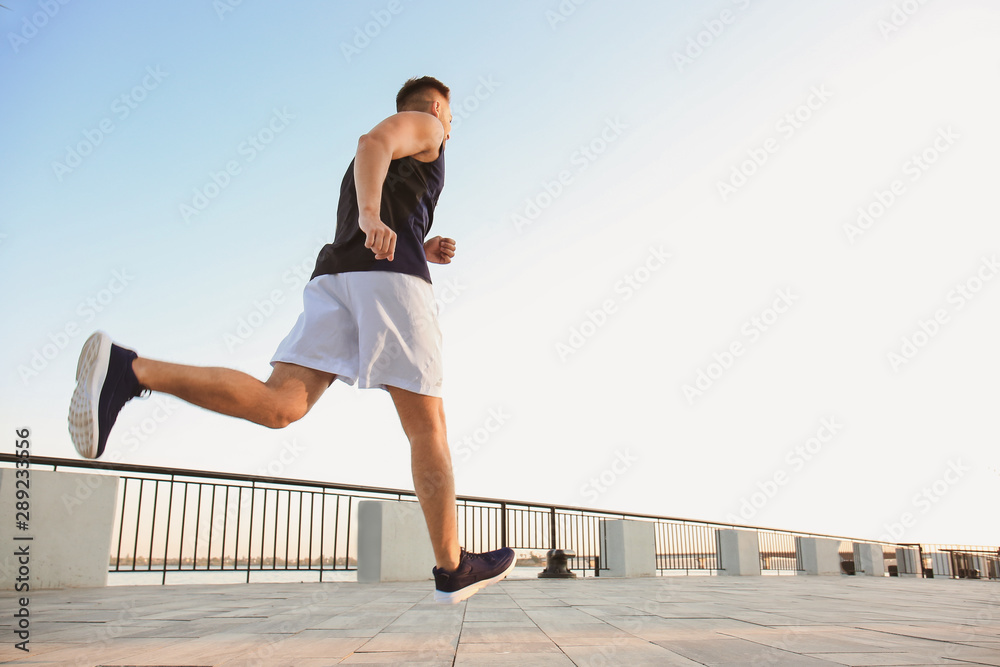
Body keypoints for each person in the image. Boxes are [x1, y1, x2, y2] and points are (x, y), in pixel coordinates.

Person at [67, 76, 515, 604]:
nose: (450, 125)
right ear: (438, 106)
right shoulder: (430, 127)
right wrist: (374, 217)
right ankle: (452, 566)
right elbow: (372, 143)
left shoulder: (402, 161)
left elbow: (383, 177)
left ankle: (130, 371)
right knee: (427, 428)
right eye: (451, 115)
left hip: (337, 279)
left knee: (281, 404)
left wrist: (421, 239)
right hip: (391, 281)